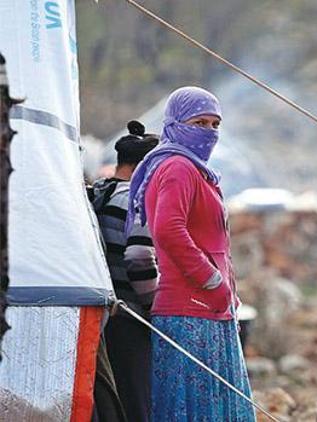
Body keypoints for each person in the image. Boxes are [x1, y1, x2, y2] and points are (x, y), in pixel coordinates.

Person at [126, 86, 256, 422]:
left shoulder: (197, 170)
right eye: (199, 122)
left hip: (210, 307)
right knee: (197, 410)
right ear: (175, 123)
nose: (209, 132)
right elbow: (169, 230)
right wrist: (212, 280)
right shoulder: (178, 168)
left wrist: (228, 291)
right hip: (189, 309)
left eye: (215, 124)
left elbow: (214, 241)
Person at [91, 120, 159, 422]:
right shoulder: (138, 201)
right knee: (138, 401)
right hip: (131, 315)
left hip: (102, 314)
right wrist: (154, 307)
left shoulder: (98, 193)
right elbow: (140, 257)